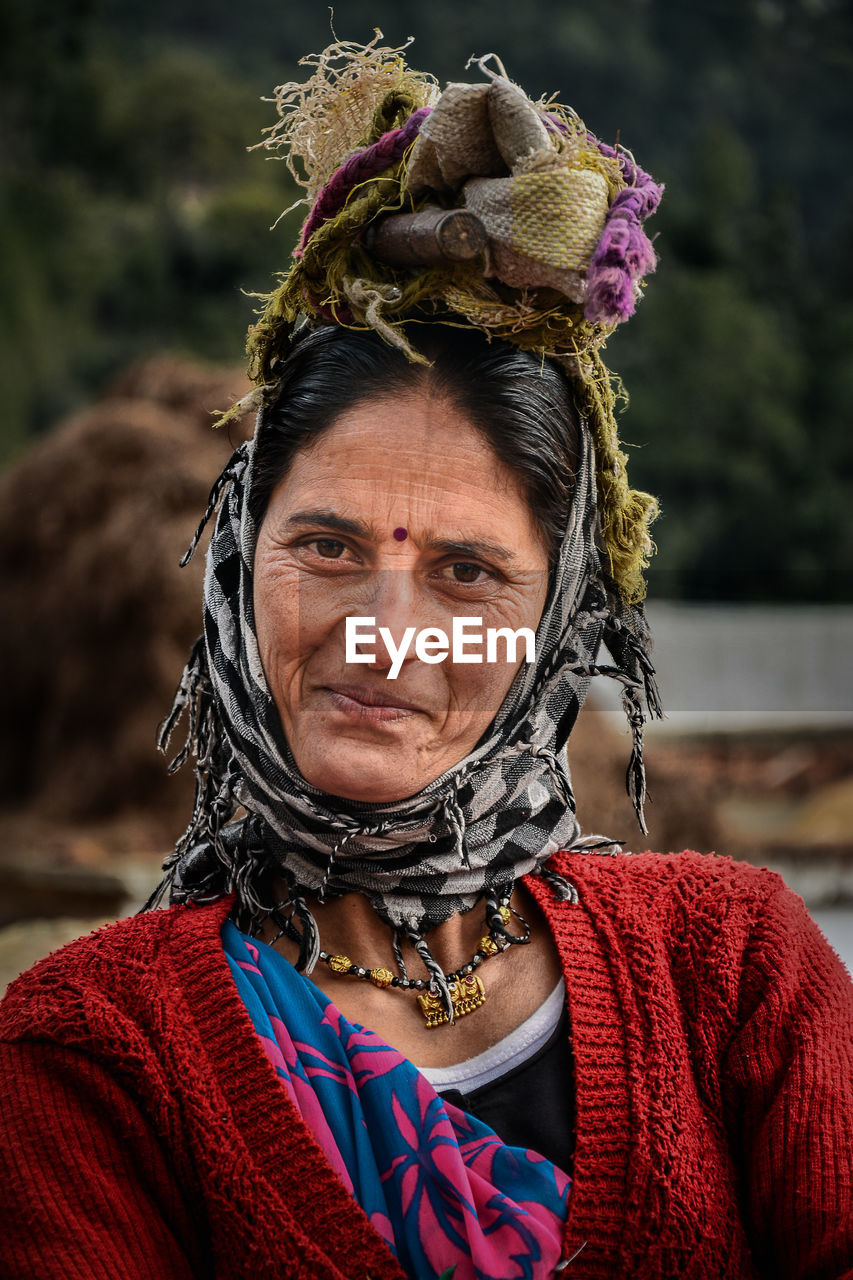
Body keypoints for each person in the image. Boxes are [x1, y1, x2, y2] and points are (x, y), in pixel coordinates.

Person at [2, 37, 852, 1280]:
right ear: (240, 568)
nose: (382, 630)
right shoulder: (95, 1053)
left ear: (554, 622)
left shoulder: (734, 973)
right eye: (328, 548)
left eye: (467, 571)